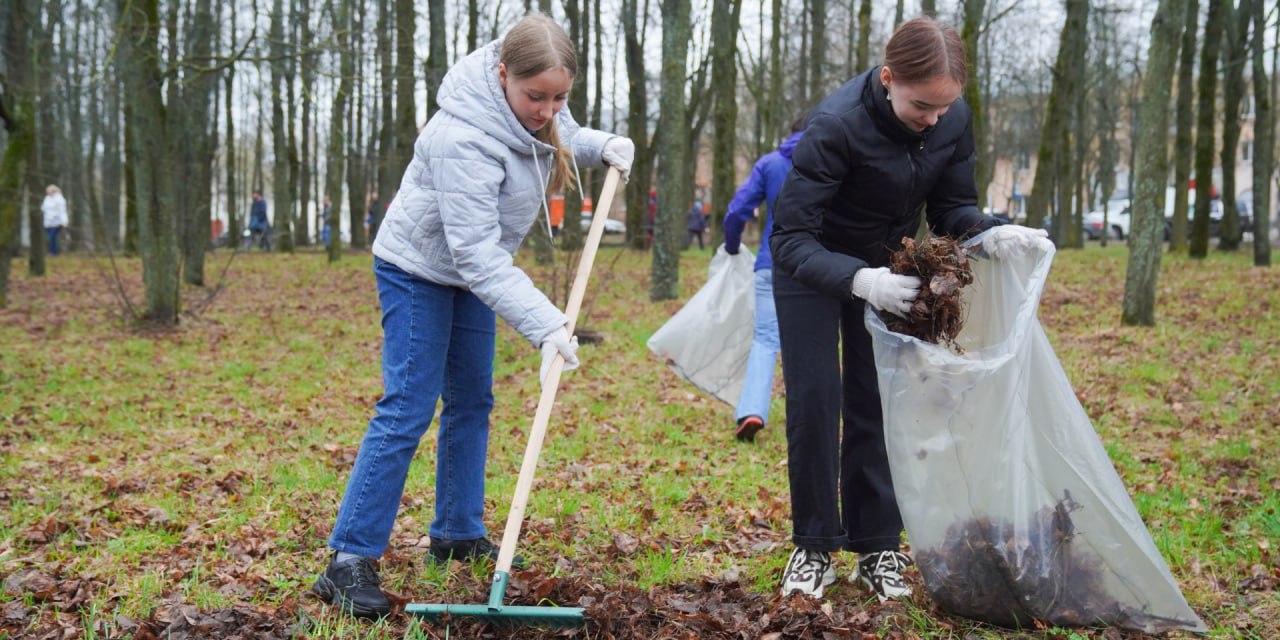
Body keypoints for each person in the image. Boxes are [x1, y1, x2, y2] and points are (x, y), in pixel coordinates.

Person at [311, 13, 634, 619]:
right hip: (418, 270)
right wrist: (546, 323)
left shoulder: (541, 105)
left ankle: (456, 534)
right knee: (408, 404)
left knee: (473, 401)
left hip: (468, 274)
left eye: (559, 96)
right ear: (502, 74)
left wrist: (602, 146)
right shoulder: (462, 138)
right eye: (534, 96)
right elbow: (479, 256)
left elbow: (560, 136)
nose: (546, 109)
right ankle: (348, 559)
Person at [769, 15, 1050, 602]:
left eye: (946, 108)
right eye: (922, 106)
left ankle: (877, 548)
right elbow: (789, 237)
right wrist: (858, 280)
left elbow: (953, 208)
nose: (934, 119)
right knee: (817, 402)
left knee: (878, 401)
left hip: (891, 272)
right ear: (889, 78)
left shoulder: (953, 120)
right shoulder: (837, 125)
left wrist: (988, 233)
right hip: (812, 268)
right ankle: (814, 547)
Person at [720, 114, 806, 442]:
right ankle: (808, 417)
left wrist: (731, 247)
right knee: (811, 340)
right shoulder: (833, 161)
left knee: (767, 339)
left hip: (772, 262)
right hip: (816, 266)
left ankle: (752, 411)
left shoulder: (770, 164)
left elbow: (738, 210)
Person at [41, 185, 68, 256]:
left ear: (53, 191)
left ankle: (54, 252)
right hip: (47, 222)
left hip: (57, 222)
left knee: (52, 237)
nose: (47, 192)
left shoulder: (60, 199)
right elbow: (43, 208)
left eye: (49, 191)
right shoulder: (46, 198)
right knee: (50, 238)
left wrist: (64, 221)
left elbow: (62, 211)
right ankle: (52, 251)